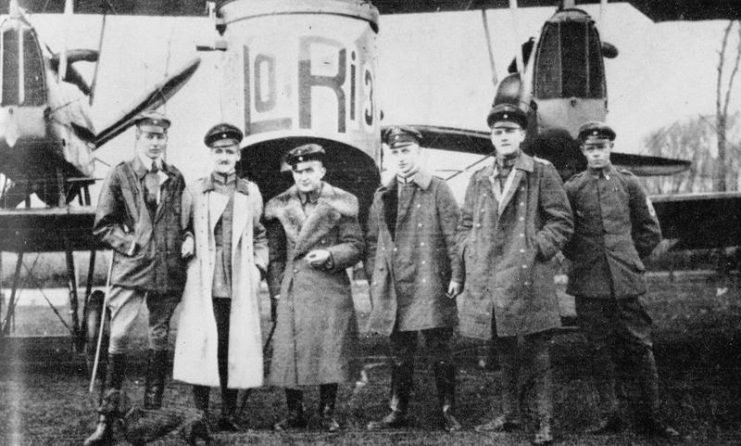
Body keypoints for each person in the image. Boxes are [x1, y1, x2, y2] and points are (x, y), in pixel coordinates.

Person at [456, 103, 573, 445]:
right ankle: (510, 416)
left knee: (538, 350)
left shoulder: (541, 172)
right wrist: (470, 252)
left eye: (510, 131)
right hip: (493, 277)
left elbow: (562, 221)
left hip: (529, 274)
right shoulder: (479, 177)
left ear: (522, 135)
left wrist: (536, 247)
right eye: (497, 132)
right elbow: (465, 225)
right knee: (504, 349)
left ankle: (545, 422)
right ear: (491, 138)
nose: (503, 136)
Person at [563, 121, 679, 439]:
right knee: (597, 349)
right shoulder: (573, 188)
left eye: (601, 147)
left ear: (610, 148)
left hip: (626, 281)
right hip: (589, 283)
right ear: (583, 150)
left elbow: (650, 229)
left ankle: (652, 417)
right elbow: (566, 234)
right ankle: (608, 415)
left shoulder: (629, 184)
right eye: (590, 148)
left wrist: (628, 257)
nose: (596, 153)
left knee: (641, 346)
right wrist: (586, 259)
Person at [86, 110, 188, 446]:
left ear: (166, 140)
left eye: (161, 137)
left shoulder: (175, 176)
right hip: (130, 271)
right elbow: (103, 225)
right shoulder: (120, 175)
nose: (155, 143)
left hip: (166, 272)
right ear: (138, 138)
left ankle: (151, 420)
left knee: (158, 339)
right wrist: (130, 244)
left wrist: (186, 238)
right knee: (119, 336)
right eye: (149, 136)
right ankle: (107, 421)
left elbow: (181, 220)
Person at [364, 126, 463, 432]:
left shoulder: (438, 189)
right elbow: (372, 242)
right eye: (395, 152)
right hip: (395, 285)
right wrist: (375, 277)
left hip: (429, 281)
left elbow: (454, 237)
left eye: (407, 151)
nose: (402, 158)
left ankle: (448, 410)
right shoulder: (383, 195)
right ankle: (397, 409)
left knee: (440, 351)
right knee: (399, 354)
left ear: (420, 152)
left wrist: (456, 276)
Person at [172, 123, 268, 431]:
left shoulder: (249, 192)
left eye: (229, 151)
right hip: (205, 280)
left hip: (238, 281)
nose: (224, 156)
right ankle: (200, 413)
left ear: (238, 155)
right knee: (203, 343)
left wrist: (257, 269)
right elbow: (182, 228)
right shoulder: (196, 190)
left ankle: (228, 413)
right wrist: (187, 240)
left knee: (232, 345)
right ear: (211, 154)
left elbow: (261, 234)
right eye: (218, 151)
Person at [264, 143, 365, 433]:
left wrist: (330, 255)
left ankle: (326, 412)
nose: (304, 176)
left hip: (329, 287)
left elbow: (356, 246)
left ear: (322, 170)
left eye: (309, 170)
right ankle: (294, 413)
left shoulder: (341, 203)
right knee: (289, 353)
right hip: (293, 288)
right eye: (298, 171)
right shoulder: (280, 206)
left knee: (329, 349)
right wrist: (277, 291)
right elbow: (275, 256)